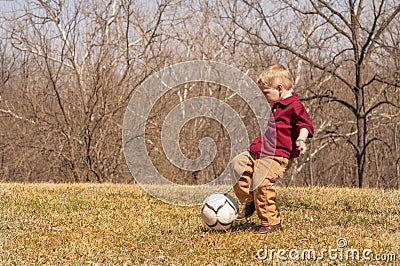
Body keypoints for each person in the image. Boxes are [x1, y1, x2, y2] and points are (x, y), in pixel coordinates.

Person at [232, 64, 314, 234]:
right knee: (238, 165)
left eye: (265, 93)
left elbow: (305, 125)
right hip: (262, 148)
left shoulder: (295, 105)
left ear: (279, 88)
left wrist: (301, 139)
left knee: (262, 183)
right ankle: (251, 200)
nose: (263, 97)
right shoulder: (277, 103)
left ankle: (271, 223)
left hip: (278, 155)